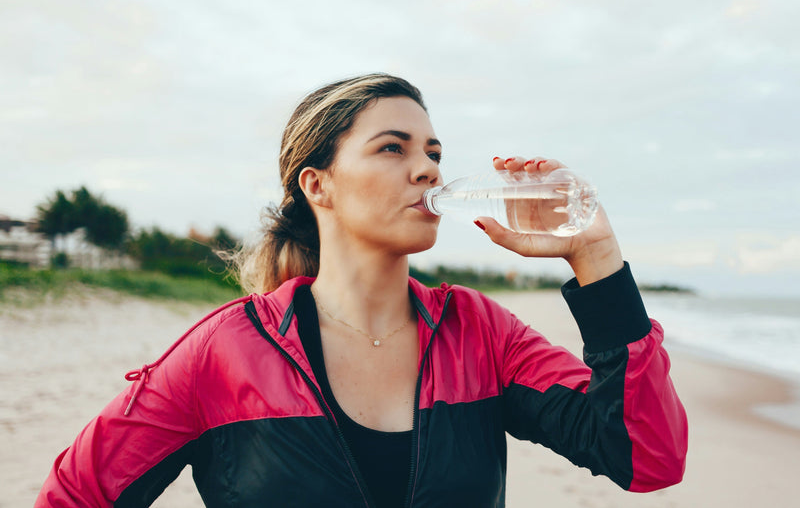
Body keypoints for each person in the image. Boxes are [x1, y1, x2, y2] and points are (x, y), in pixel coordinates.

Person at [36, 73, 687, 507]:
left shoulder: (480, 331)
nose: (428, 167)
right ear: (317, 184)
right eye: (392, 148)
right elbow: (75, 493)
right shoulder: (223, 351)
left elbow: (647, 455)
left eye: (433, 150)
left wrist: (595, 254)